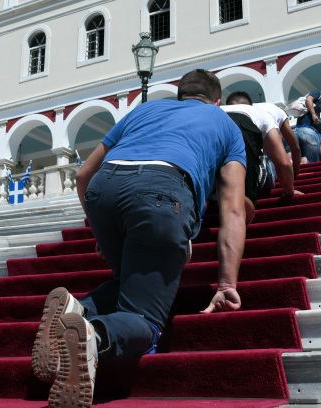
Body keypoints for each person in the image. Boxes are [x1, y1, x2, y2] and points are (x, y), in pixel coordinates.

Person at [31, 69, 247, 408]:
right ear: (217, 101)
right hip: (163, 193)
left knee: (131, 281)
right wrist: (226, 284)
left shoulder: (145, 110)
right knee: (144, 319)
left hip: (105, 188)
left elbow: (84, 173)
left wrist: (101, 230)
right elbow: (233, 210)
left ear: (180, 95)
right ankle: (93, 335)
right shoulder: (224, 124)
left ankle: (77, 309)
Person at [222, 91, 301, 217]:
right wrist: (289, 192)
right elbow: (284, 163)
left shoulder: (216, 111)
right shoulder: (260, 113)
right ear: (251, 105)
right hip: (250, 174)